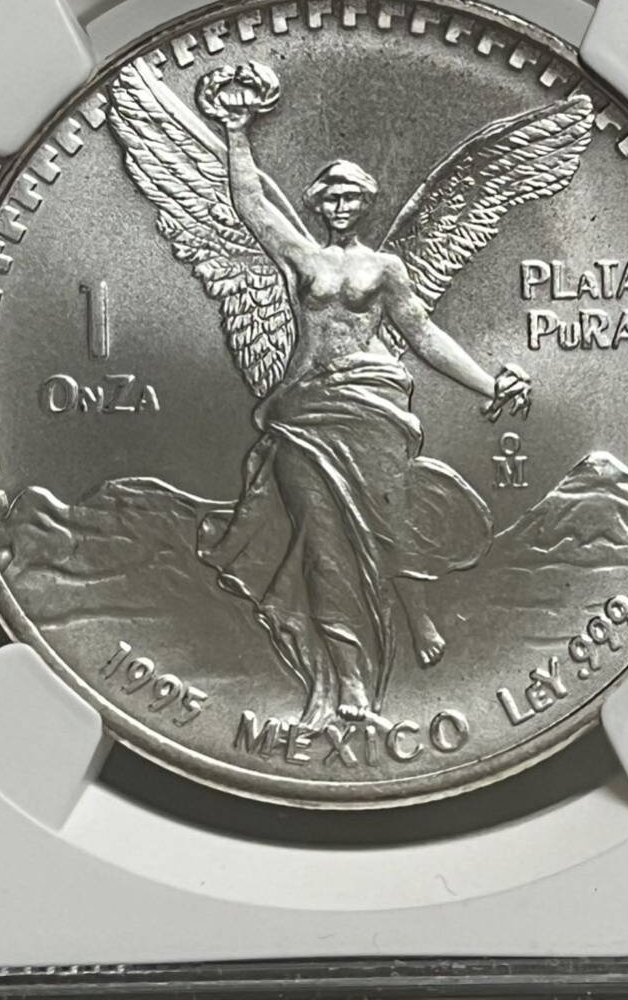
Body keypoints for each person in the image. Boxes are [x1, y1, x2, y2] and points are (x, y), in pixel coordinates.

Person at [197, 94, 530, 728]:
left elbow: (423, 334)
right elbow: (251, 205)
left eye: (352, 197)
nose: (341, 206)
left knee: (387, 521)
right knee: (320, 545)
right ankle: (350, 685)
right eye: (331, 198)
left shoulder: (386, 268)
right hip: (307, 411)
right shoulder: (302, 257)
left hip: (372, 405)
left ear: (366, 202)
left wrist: (488, 385)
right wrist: (237, 131)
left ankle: (417, 612)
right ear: (318, 205)